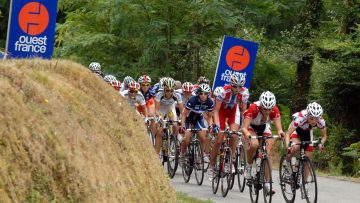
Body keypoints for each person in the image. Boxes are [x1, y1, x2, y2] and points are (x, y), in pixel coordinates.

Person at [241, 91, 284, 195]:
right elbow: (244, 128)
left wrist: (280, 133)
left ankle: (267, 184)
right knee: (254, 144)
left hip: (264, 127)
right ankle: (249, 165)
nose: (267, 111)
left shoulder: (275, 110)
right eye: (265, 108)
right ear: (261, 105)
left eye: (270, 109)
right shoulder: (253, 108)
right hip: (251, 127)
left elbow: (279, 129)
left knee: (267, 154)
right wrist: (247, 135)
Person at [208, 74, 249, 180]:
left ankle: (229, 160)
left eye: (240, 87)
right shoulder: (223, 91)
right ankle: (211, 166)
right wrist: (216, 125)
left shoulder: (244, 93)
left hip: (233, 113)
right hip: (221, 112)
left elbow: (243, 112)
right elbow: (216, 111)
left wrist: (244, 127)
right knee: (218, 140)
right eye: (235, 86)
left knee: (234, 135)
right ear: (231, 85)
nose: (237, 89)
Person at [284, 102, 326, 188]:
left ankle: (305, 182)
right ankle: (286, 162)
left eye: (316, 119)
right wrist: (288, 146)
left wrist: (321, 144)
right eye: (312, 118)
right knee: (295, 146)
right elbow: (287, 134)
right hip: (296, 129)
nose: (314, 121)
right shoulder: (301, 117)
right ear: (308, 116)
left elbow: (324, 136)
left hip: (307, 132)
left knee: (308, 156)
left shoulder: (321, 121)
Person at [179, 83, 214, 164]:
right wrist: (182, 125)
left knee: (203, 138)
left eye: (205, 93)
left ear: (208, 94)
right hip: (188, 119)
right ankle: (182, 154)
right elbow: (184, 114)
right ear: (198, 93)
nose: (203, 95)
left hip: (199, 118)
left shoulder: (210, 102)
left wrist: (210, 126)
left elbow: (209, 117)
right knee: (186, 140)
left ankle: (199, 155)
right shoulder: (192, 100)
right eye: (201, 93)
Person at [154, 78, 184, 155]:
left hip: (170, 109)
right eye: (167, 90)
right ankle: (156, 154)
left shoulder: (177, 95)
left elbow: (182, 110)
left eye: (171, 91)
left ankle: (173, 141)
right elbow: (156, 110)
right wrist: (160, 118)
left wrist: (181, 119)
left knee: (175, 124)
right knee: (160, 132)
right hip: (161, 110)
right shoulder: (159, 94)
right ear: (163, 89)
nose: (169, 93)